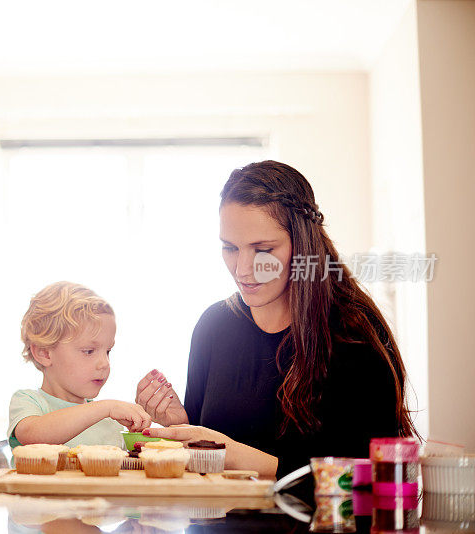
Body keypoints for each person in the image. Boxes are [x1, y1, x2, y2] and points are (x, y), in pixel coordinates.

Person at [135, 160, 416, 478]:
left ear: (302, 243)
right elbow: (206, 468)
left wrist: (240, 457)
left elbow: (369, 483)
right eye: (230, 248)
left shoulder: (354, 335)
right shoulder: (213, 327)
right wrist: (181, 428)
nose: (242, 269)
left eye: (263, 249)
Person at [8, 281, 151, 449]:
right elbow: (33, 436)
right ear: (44, 353)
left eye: (108, 351)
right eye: (89, 351)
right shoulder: (29, 402)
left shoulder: (110, 421)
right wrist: (106, 407)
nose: (104, 364)